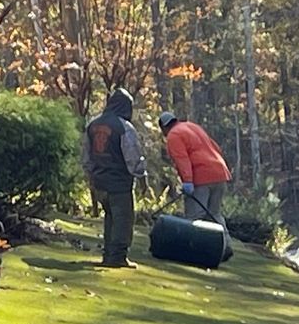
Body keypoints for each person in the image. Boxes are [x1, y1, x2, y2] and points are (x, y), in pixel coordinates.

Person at [82, 88, 147, 267]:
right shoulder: (124, 127)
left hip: (100, 182)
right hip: (119, 183)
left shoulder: (92, 125)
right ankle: (118, 257)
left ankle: (108, 254)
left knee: (110, 217)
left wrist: (91, 179)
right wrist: (142, 179)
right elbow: (133, 157)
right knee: (123, 220)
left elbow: (86, 157)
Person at [159, 111, 232, 223]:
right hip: (220, 172)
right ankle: (223, 240)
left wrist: (188, 181)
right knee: (214, 216)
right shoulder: (193, 127)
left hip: (202, 178)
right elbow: (215, 147)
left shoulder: (173, 135)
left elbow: (182, 159)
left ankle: (194, 241)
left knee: (195, 218)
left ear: (163, 127)